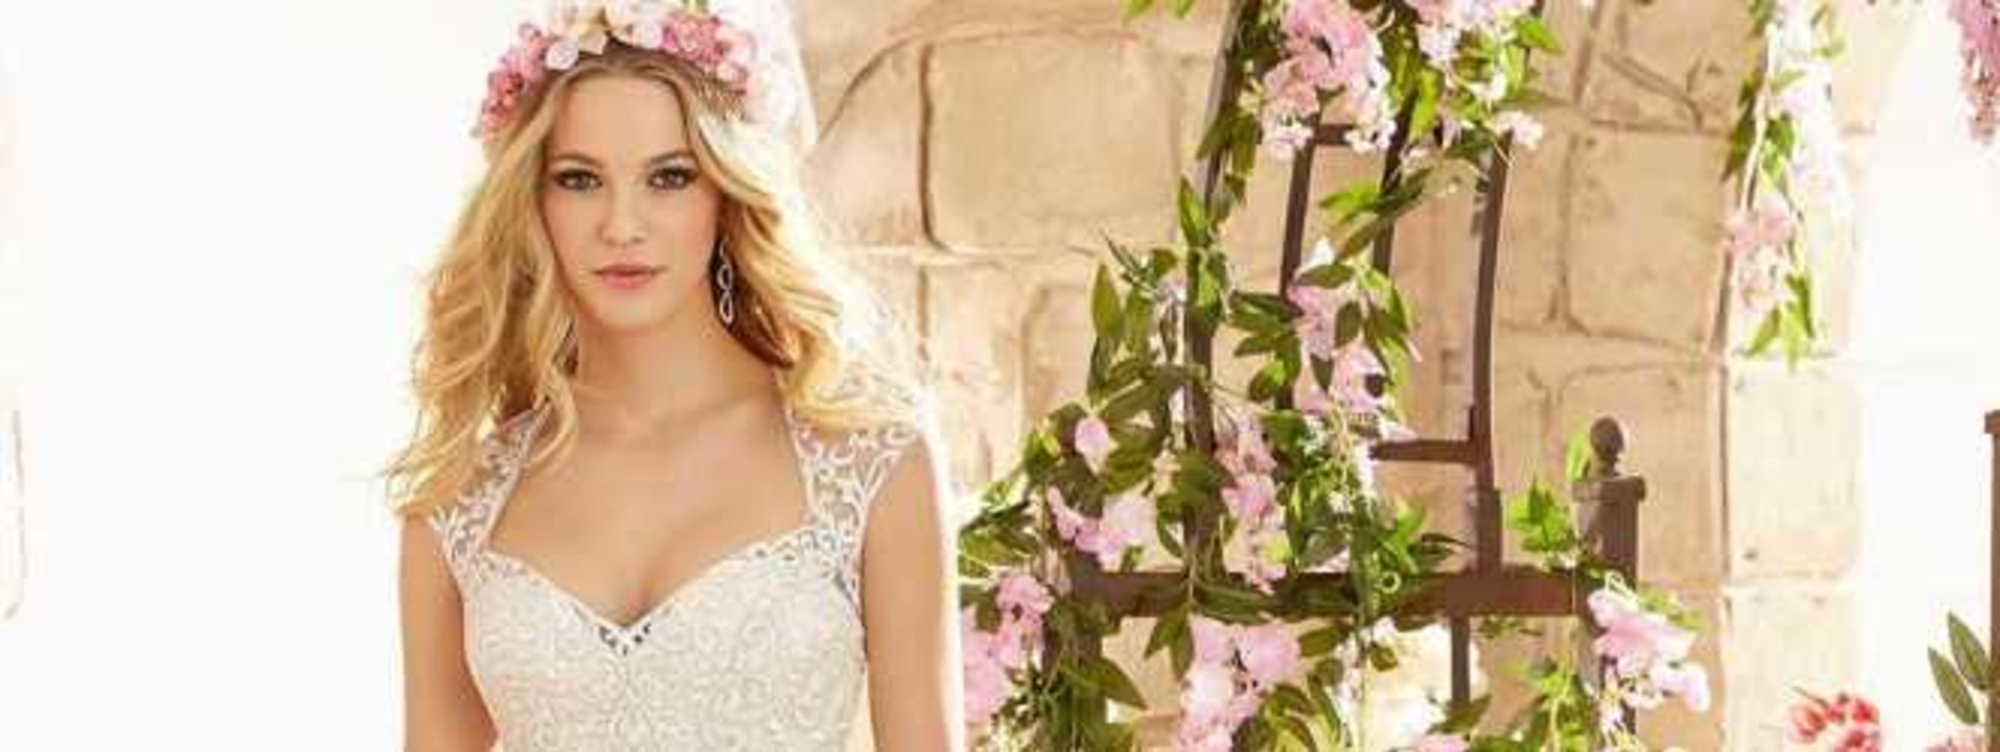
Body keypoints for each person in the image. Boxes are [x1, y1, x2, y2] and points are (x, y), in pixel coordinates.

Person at [385, 2, 963, 749]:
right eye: (579, 179)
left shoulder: (873, 460)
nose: (622, 225)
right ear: (533, 201)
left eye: (669, 176)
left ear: (725, 193)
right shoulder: (458, 498)